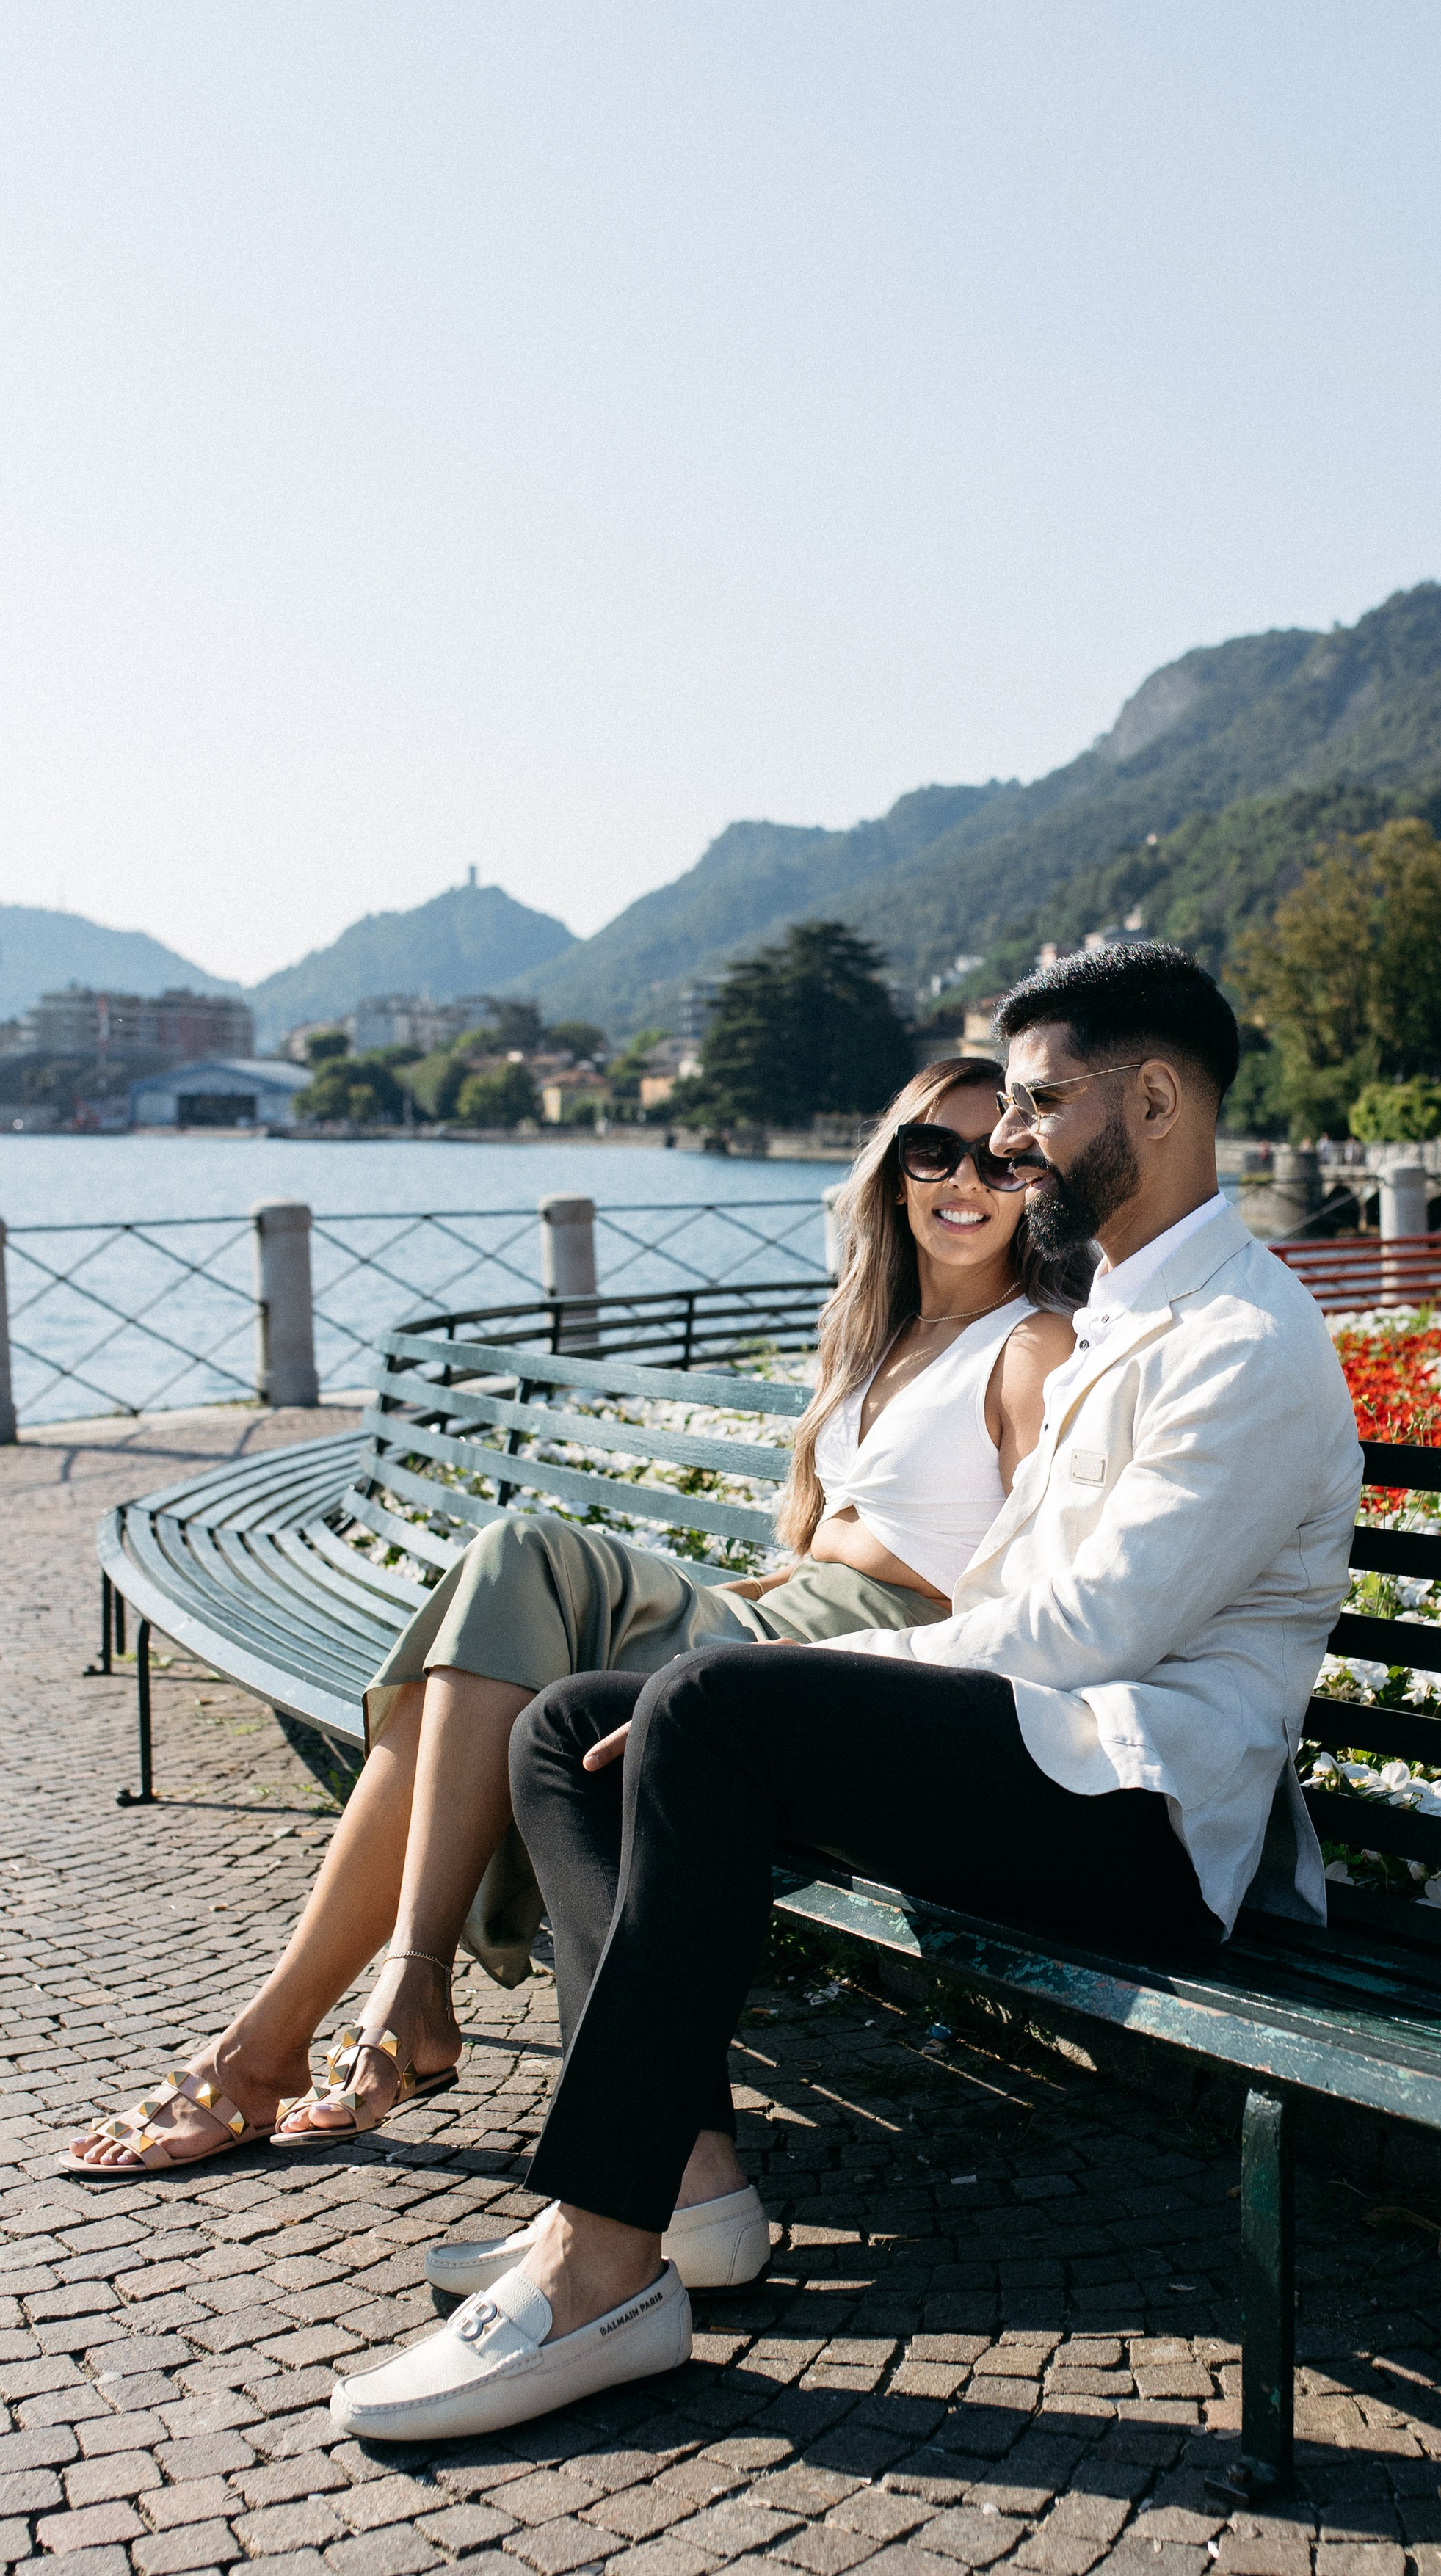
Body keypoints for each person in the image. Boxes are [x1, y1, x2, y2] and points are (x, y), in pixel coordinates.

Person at [332, 942, 1365, 2442]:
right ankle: (678, 2184)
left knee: (699, 1707)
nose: (1007, 1142)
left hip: (1143, 1818)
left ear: (1152, 1100)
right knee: (570, 1732)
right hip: (1040, 1763)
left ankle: (589, 2265)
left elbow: (1074, 1637)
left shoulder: (1243, 1342)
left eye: (1034, 1103)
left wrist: (781, 1673)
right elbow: (1013, 1617)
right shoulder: (1129, 1313)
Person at [62, 1056, 1085, 2235]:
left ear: (1036, 1184)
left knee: (515, 1567)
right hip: (772, 1626)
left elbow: (1023, 1590)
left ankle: (339, 2014)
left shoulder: (1031, 1347)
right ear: (893, 1174)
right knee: (497, 1625)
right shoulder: (879, 1336)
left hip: (852, 1674)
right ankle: (345, 2013)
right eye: (931, 1151)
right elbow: (839, 1542)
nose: (965, 1180)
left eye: (999, 1158)